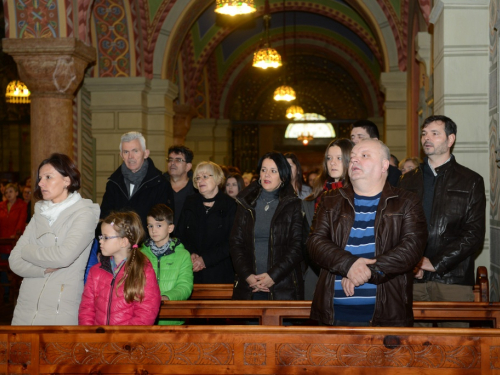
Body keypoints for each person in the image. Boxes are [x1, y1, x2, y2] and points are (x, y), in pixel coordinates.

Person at [308, 139, 427, 326]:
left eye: (364, 156)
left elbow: (411, 249)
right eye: (353, 157)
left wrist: (366, 272)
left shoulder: (406, 202)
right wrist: (348, 265)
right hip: (333, 313)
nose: (354, 160)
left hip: (387, 313)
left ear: (384, 165)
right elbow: (315, 242)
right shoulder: (330, 200)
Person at [398, 115, 486, 327]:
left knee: (456, 349)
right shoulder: (407, 180)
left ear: (450, 139)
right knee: (414, 347)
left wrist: (434, 263)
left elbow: (474, 234)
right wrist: (414, 262)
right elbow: (397, 227)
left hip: (453, 281)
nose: (427, 138)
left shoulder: (471, 180)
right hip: (413, 279)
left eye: (434, 133)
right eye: (424, 134)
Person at [9, 154, 100, 325]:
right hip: (26, 307)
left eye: (48, 177)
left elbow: (63, 257)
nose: (40, 183)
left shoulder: (84, 214)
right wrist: (42, 270)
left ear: (67, 180)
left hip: (60, 307)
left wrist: (27, 251)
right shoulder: (39, 214)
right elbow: (14, 261)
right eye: (40, 178)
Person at [231, 151, 304, 300]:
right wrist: (248, 276)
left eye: (273, 171)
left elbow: (297, 247)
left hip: (282, 286)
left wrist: (272, 276)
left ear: (283, 176)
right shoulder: (246, 203)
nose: (266, 175)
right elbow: (235, 242)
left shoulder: (293, 204)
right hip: (250, 285)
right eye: (263, 170)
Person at [79, 211, 161, 325]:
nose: (100, 241)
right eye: (101, 236)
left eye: (106, 237)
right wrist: (91, 337)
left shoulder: (142, 271)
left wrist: (125, 339)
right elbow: (86, 309)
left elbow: (145, 313)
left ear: (124, 242)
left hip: (128, 340)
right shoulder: (96, 271)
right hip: (98, 339)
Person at [302, 138, 353, 300]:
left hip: (351, 272)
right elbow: (310, 241)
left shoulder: (358, 194)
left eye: (339, 158)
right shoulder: (319, 196)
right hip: (319, 271)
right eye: (329, 158)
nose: (333, 163)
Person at [176, 161, 236, 283]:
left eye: (205, 176)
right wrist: (191, 253)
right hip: (191, 270)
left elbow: (232, 242)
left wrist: (205, 260)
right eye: (197, 178)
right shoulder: (190, 202)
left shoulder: (230, 205)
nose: (200, 180)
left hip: (220, 273)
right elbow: (180, 234)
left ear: (218, 179)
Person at [100, 131, 172, 230]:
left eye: (135, 151)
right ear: (121, 155)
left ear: (146, 153)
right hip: (118, 242)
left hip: (148, 243)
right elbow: (106, 217)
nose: (130, 157)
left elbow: (163, 223)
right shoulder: (113, 184)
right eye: (126, 152)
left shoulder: (160, 184)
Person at [141, 204, 193, 325]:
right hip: (144, 316)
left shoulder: (183, 255)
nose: (154, 230)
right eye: (150, 226)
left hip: (172, 318)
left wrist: (165, 297)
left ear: (170, 228)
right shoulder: (140, 254)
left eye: (159, 225)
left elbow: (185, 286)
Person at [350, 120, 402, 186]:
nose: (354, 141)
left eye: (360, 137)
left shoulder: (393, 174)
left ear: (374, 140)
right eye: (352, 137)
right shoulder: (349, 168)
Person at [0, 183, 27, 301]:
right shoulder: (1, 205)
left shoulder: (22, 205)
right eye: (6, 192)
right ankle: (5, 294)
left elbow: (21, 222)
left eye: (11, 191)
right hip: (2, 242)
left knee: (14, 268)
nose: (8, 194)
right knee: (3, 268)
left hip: (13, 242)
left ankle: (16, 294)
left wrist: (15, 234)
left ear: (16, 193)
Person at [164, 145, 196, 226]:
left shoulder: (196, 189)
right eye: (170, 159)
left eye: (178, 160)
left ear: (188, 166)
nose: (172, 163)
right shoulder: (160, 186)